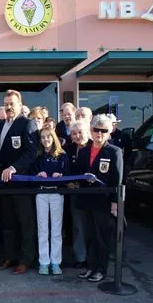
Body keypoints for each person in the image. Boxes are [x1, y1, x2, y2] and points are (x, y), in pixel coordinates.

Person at [73, 114, 123, 282]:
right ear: (91, 131)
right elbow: (77, 173)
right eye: (96, 130)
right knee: (88, 235)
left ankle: (101, 269)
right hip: (86, 199)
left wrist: (115, 202)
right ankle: (90, 266)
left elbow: (118, 179)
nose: (99, 134)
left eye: (104, 131)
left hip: (104, 202)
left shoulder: (114, 151)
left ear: (109, 132)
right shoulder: (84, 151)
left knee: (102, 237)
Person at [0, 90, 39, 275]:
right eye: (6, 104)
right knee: (8, 222)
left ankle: (26, 259)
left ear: (20, 105)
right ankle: (10, 256)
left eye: (12, 103)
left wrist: (14, 168)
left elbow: (31, 153)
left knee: (25, 223)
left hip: (21, 182)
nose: (8, 107)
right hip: (3, 184)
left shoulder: (28, 124)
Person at [33, 127, 69, 275]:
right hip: (41, 193)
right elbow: (32, 173)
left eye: (48, 137)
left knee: (56, 230)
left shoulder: (62, 155)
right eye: (43, 137)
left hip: (56, 193)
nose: (46, 140)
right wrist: (38, 174)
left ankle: (55, 262)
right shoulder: (38, 155)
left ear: (53, 138)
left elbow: (68, 173)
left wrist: (60, 175)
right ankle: (44, 262)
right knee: (42, 229)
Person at [64, 121, 91, 268]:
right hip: (74, 193)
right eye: (74, 133)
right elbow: (63, 168)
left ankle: (94, 256)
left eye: (80, 132)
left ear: (87, 131)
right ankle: (81, 258)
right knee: (78, 226)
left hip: (93, 193)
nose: (77, 136)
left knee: (93, 226)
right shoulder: (67, 149)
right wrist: (67, 183)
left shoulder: (95, 147)